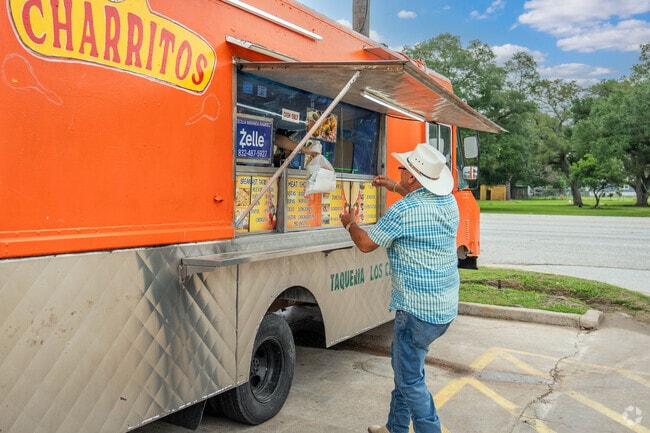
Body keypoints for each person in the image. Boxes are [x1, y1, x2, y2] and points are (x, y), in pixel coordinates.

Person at [339, 143, 460, 433]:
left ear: (412, 177)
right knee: (405, 373)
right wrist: (394, 186)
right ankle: (396, 428)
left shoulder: (404, 211)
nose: (400, 171)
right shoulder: (449, 203)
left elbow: (366, 244)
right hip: (443, 308)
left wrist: (350, 223)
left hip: (416, 312)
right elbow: (421, 200)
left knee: (409, 381)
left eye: (402, 169)